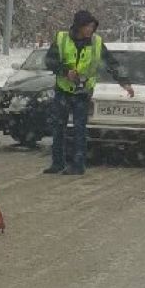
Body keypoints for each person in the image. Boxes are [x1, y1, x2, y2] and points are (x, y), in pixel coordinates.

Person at [43, 10, 133, 175]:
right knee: (58, 127)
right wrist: (65, 71)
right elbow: (50, 61)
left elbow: (111, 63)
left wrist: (124, 82)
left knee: (79, 129)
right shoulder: (62, 39)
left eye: (92, 27)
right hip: (63, 89)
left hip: (83, 91)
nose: (90, 30)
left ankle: (78, 165)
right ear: (78, 26)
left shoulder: (97, 43)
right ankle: (57, 163)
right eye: (87, 27)